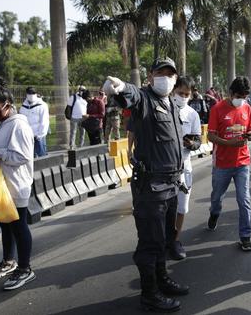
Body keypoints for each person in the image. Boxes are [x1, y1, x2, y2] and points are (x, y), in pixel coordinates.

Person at [103, 57, 188, 313]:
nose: (166, 78)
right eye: (160, 73)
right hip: (151, 187)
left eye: (170, 74)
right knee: (150, 243)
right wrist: (120, 87)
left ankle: (162, 280)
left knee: (164, 239)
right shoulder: (144, 99)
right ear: (150, 76)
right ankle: (150, 294)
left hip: (171, 185)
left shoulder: (171, 103)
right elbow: (130, 96)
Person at [0, 77, 35, 290]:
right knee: (4, 224)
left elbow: (21, 156)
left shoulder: (18, 125)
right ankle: (9, 261)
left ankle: (25, 268)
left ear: (8, 105)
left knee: (18, 226)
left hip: (15, 184)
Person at [206, 77, 251, 252]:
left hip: (242, 162)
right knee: (217, 197)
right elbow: (210, 136)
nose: (241, 99)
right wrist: (229, 143)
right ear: (230, 93)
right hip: (222, 164)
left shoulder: (247, 108)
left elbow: (250, 129)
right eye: (239, 95)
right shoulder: (217, 109)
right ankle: (214, 213)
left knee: (244, 199)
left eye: (244, 96)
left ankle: (245, 236)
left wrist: (249, 135)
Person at [169, 77, 202, 261]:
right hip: (165, 168)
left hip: (184, 166)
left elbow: (198, 141)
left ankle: (175, 240)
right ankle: (162, 240)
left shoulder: (192, 114)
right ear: (173, 91)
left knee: (181, 207)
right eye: (180, 93)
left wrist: (192, 143)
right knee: (165, 208)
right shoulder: (164, 110)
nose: (183, 97)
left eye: (186, 94)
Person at [19, 87, 49, 157]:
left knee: (41, 156)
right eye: (29, 93)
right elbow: (21, 120)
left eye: (33, 93)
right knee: (30, 157)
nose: (31, 95)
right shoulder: (23, 106)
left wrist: (41, 134)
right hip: (27, 135)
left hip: (39, 135)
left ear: (36, 94)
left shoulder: (42, 105)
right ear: (26, 94)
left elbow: (44, 121)